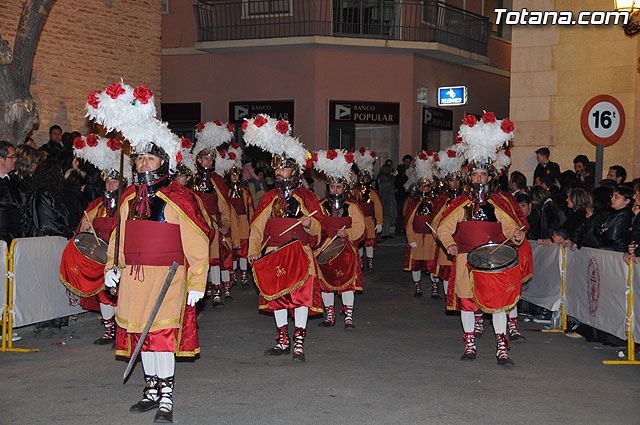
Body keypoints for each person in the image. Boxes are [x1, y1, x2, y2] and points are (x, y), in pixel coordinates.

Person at [87, 81, 210, 423]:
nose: (143, 162)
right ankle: (152, 388)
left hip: (168, 277)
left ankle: (167, 395)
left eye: (149, 156)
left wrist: (198, 281)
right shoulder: (127, 198)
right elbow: (120, 236)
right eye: (139, 156)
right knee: (142, 333)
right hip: (135, 277)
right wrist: (113, 266)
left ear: (163, 161)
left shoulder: (177, 197)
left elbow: (198, 241)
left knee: (161, 335)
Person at [437, 112, 523, 366]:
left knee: (497, 304)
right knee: (467, 303)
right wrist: (450, 244)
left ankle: (501, 346)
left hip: (493, 260)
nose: (479, 178)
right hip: (465, 260)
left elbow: (511, 228)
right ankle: (469, 343)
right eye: (475, 174)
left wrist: (516, 236)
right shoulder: (460, 203)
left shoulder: (497, 203)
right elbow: (443, 228)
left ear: (490, 177)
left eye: (483, 174)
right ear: (469, 177)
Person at [245, 115, 324, 362]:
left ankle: (299, 339)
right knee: (276, 295)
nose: (279, 172)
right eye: (277, 168)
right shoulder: (268, 197)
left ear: (294, 170)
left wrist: (311, 224)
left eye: (284, 168)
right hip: (275, 252)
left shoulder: (307, 196)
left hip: (300, 253)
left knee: (301, 296)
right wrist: (254, 248)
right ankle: (282, 338)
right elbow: (257, 227)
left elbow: (319, 230)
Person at [60, 135, 130, 345]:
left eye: (114, 180)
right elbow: (82, 228)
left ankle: (122, 329)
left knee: (121, 293)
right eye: (108, 180)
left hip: (122, 255)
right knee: (103, 295)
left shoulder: (129, 203)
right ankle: (109, 330)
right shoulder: (97, 204)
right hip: (101, 257)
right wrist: (85, 225)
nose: (110, 184)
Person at [313, 149, 365, 329]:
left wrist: (348, 233)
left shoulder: (352, 206)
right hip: (325, 249)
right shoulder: (321, 206)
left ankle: (348, 316)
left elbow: (360, 227)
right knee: (325, 284)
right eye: (332, 186)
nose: (335, 190)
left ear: (345, 188)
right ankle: (329, 315)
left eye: (338, 187)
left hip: (346, 250)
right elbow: (316, 226)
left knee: (347, 284)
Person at [192, 122, 234, 308]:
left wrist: (225, 223)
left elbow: (224, 206)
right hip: (196, 225)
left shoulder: (217, 180)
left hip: (214, 225)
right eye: (205, 158)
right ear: (198, 159)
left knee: (214, 258)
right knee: (197, 258)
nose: (208, 161)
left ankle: (217, 290)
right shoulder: (191, 180)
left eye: (211, 158)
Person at [404, 152, 441, 298]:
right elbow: (408, 223)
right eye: (422, 186)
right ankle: (418, 287)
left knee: (433, 265)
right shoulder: (413, 203)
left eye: (427, 186)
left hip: (432, 239)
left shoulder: (436, 202)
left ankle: (434, 288)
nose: (424, 189)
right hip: (417, 238)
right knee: (416, 264)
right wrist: (411, 238)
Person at [218, 142, 255, 287]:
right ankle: (232, 275)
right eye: (232, 175)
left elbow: (250, 207)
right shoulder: (226, 191)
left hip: (244, 223)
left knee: (244, 250)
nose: (235, 177)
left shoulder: (245, 190)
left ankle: (244, 275)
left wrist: (252, 223)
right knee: (232, 249)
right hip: (232, 223)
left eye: (237, 175)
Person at [352, 147, 383, 271]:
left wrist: (379, 222)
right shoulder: (354, 191)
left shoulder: (372, 192)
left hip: (369, 220)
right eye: (361, 178)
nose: (362, 180)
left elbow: (378, 207)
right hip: (358, 220)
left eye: (365, 178)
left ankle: (370, 261)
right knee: (359, 241)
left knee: (369, 242)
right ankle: (360, 262)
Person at [596, 185, 634, 252]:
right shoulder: (613, 213)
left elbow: (612, 236)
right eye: (612, 196)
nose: (612, 199)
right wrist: (602, 231)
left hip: (616, 250)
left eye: (616, 197)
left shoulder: (625, 215)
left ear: (627, 201)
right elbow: (597, 229)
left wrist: (602, 231)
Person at [0, 140, 23, 243]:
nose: (15, 160)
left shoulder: (16, 182)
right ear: (1, 159)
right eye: (12, 157)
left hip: (16, 240)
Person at [377, 163, 396, 239]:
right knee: (384, 216)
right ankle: (383, 234)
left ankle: (386, 233)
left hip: (388, 198)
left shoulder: (386, 178)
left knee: (387, 217)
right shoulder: (382, 178)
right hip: (384, 198)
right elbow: (386, 186)